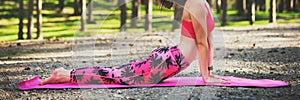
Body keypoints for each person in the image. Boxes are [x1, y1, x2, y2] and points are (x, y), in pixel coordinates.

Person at [40, 0, 230, 85]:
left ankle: (65, 74)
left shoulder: (202, 3)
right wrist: (206, 77)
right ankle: (64, 75)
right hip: (166, 63)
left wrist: (210, 73)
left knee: (117, 73)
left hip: (169, 59)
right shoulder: (196, 3)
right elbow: (202, 44)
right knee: (114, 75)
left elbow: (209, 41)